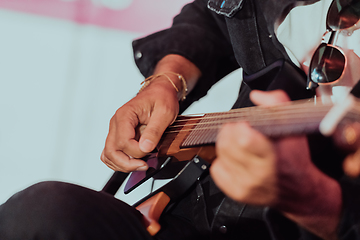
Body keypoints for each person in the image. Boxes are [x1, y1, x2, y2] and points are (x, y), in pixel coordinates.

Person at [1, 0, 360, 239]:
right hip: (197, 209)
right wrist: (166, 81)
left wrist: (309, 199)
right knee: (42, 214)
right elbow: (212, 16)